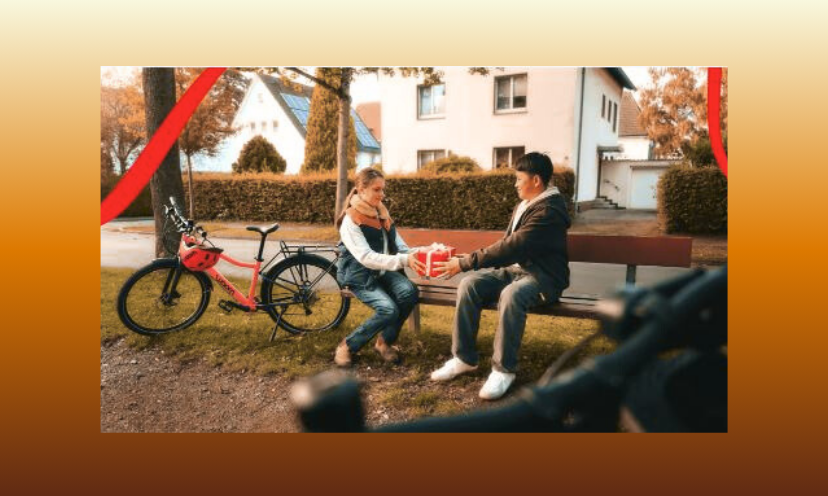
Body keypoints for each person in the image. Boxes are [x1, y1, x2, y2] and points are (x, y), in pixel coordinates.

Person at [431, 152, 571, 400]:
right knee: (470, 285)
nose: (516, 184)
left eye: (519, 179)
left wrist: (465, 262)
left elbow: (513, 246)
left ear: (536, 180)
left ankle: (504, 370)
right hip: (515, 271)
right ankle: (464, 358)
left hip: (545, 278)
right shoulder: (525, 205)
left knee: (511, 295)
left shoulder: (549, 211)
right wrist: (470, 261)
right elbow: (508, 245)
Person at [334, 167, 426, 367]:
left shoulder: (381, 213)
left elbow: (400, 246)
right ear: (361, 189)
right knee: (388, 310)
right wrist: (403, 261)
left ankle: (384, 343)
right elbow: (365, 257)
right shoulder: (351, 220)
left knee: (409, 292)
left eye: (383, 190)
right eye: (377, 190)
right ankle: (347, 346)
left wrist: (423, 253)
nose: (382, 194)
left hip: (382, 272)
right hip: (359, 275)